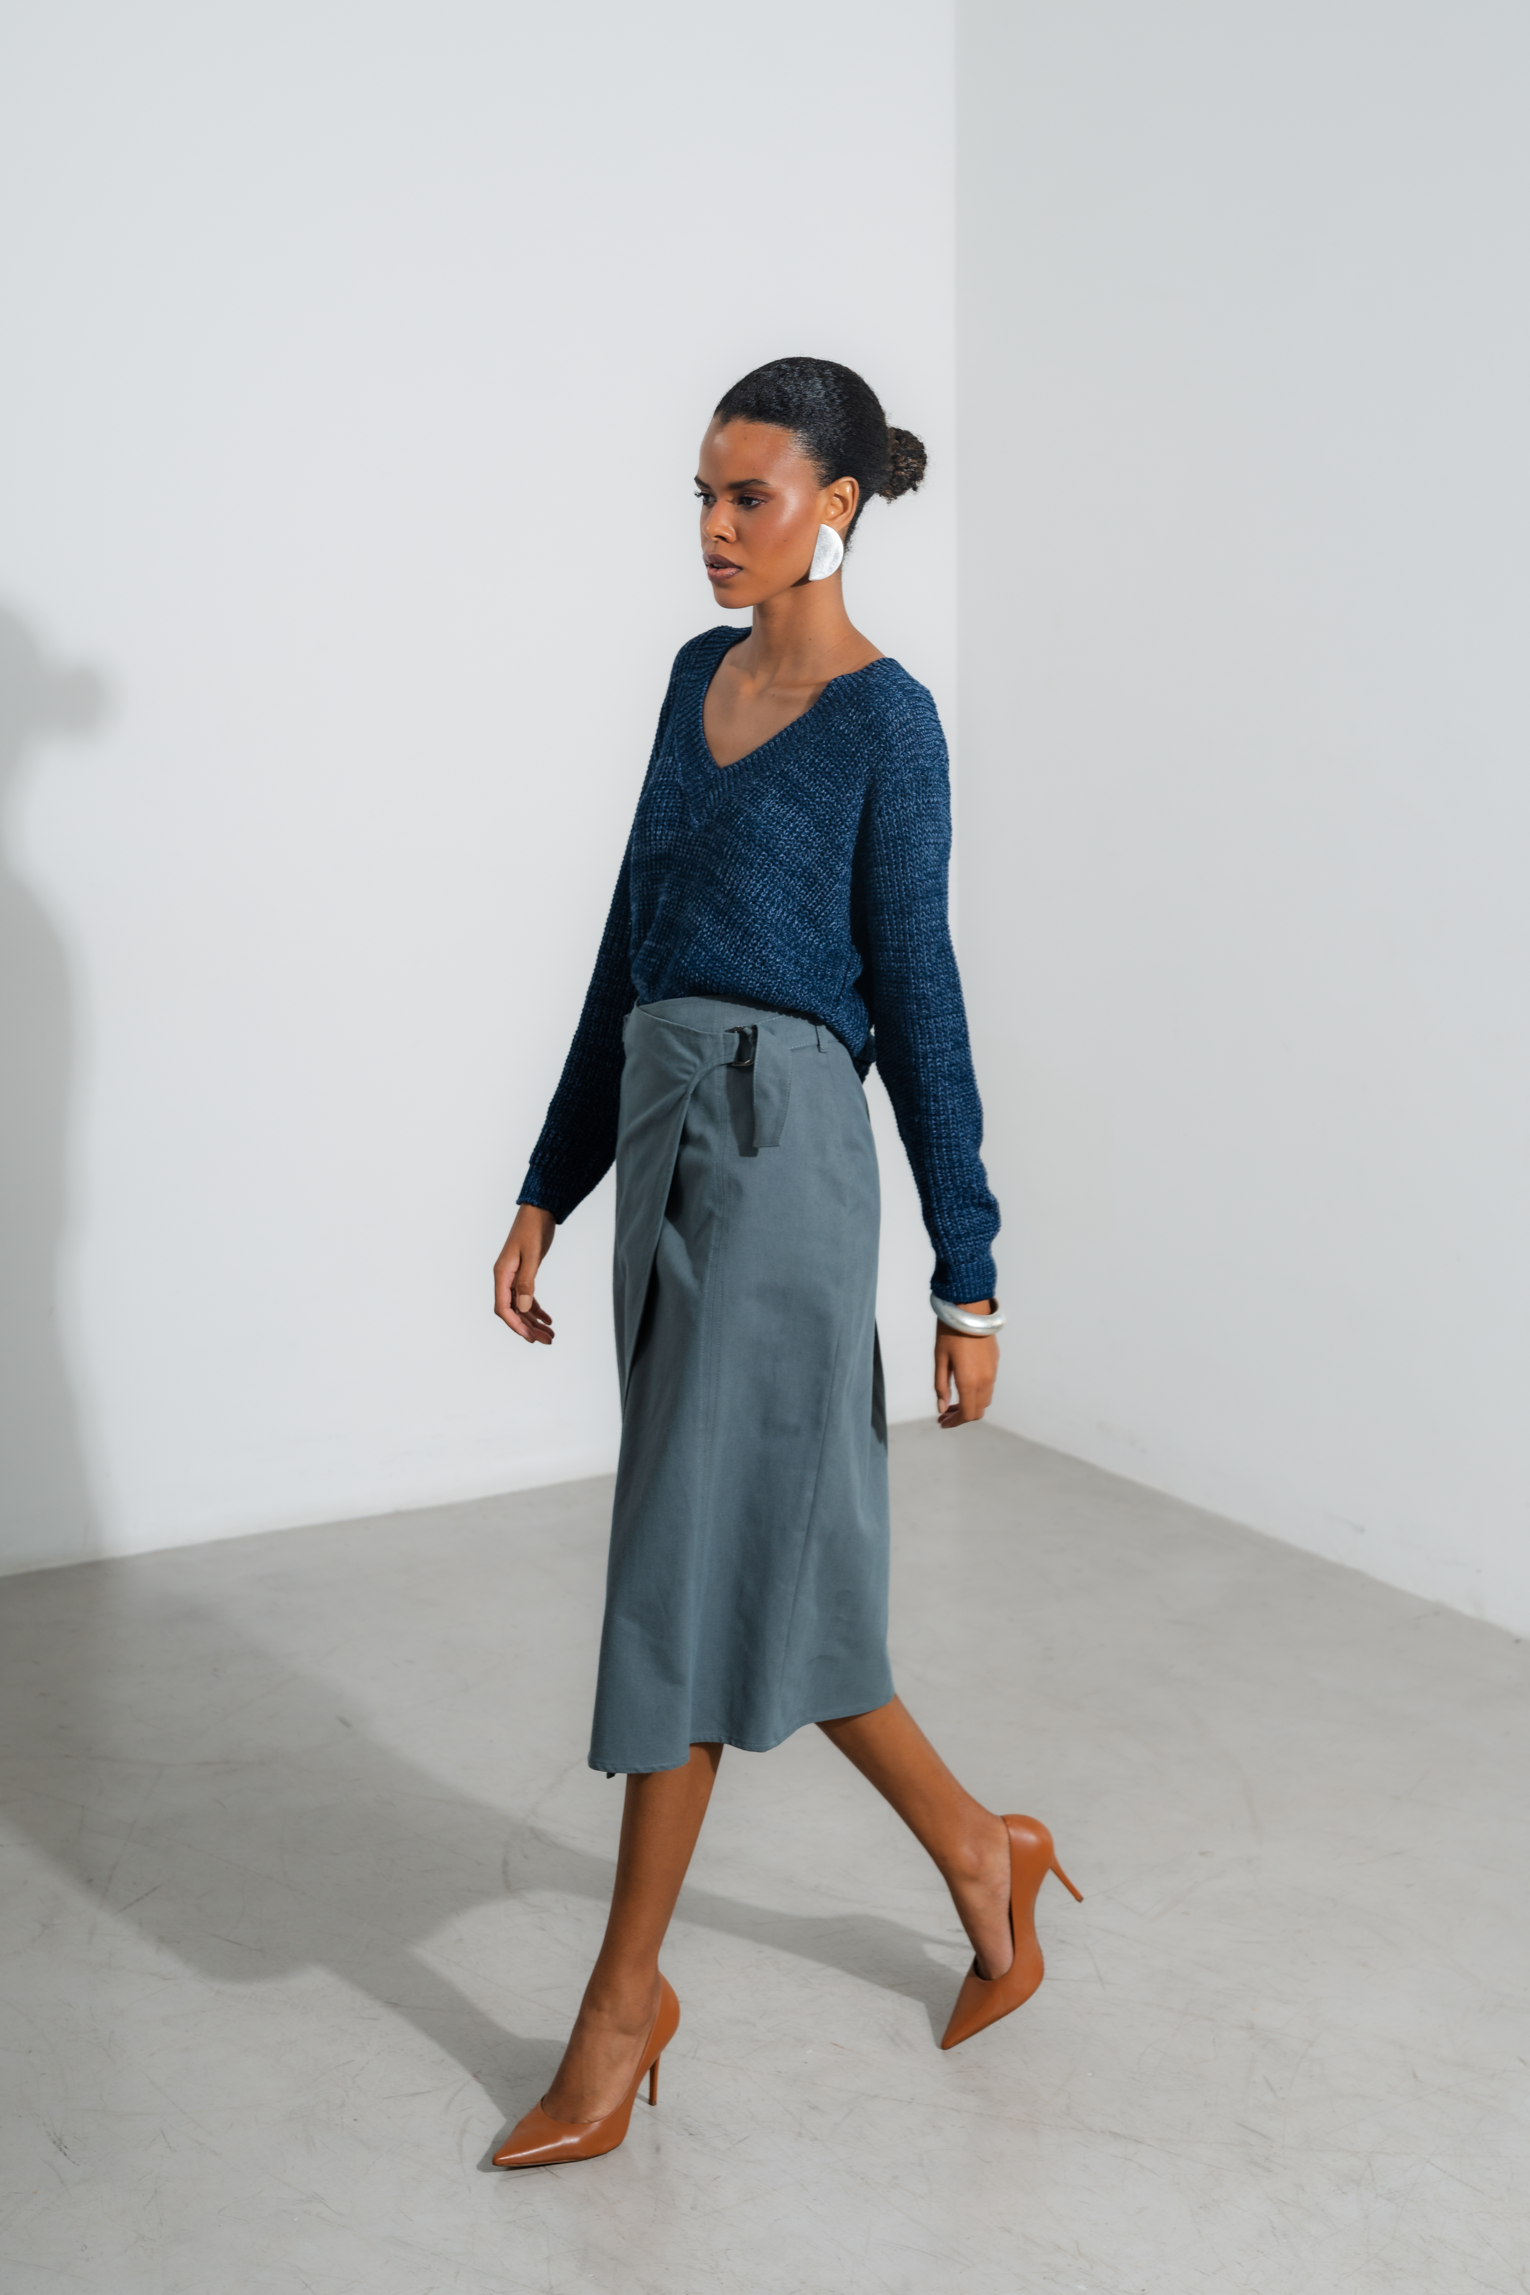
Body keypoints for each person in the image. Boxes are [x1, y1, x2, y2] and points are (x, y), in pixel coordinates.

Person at [490, 357, 1078, 2169]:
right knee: (767, 1570)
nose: (715, 527)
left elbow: (921, 993)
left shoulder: (889, 724)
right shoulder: (695, 677)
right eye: (702, 493)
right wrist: (551, 1179)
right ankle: (983, 1852)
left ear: (838, 503)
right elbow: (627, 938)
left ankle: (620, 2005)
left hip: (787, 1155)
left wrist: (967, 1273)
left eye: (748, 496)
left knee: (680, 1561)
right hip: (664, 1125)